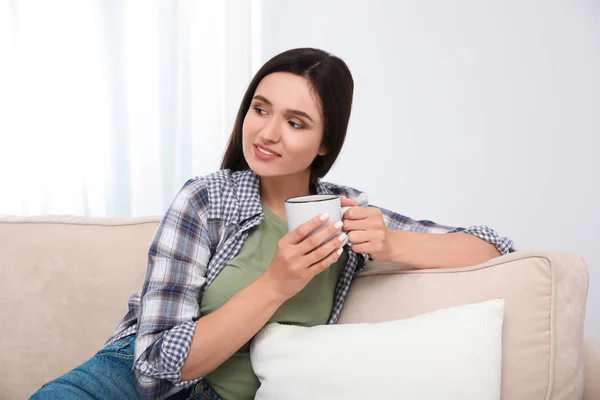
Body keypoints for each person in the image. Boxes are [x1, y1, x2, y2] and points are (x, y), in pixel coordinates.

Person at [31, 47, 514, 400]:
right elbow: (155, 368)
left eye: (296, 122)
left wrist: (391, 242)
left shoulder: (341, 215)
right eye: (260, 110)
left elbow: (493, 248)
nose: (265, 132)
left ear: (326, 143)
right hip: (123, 383)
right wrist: (275, 284)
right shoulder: (205, 201)